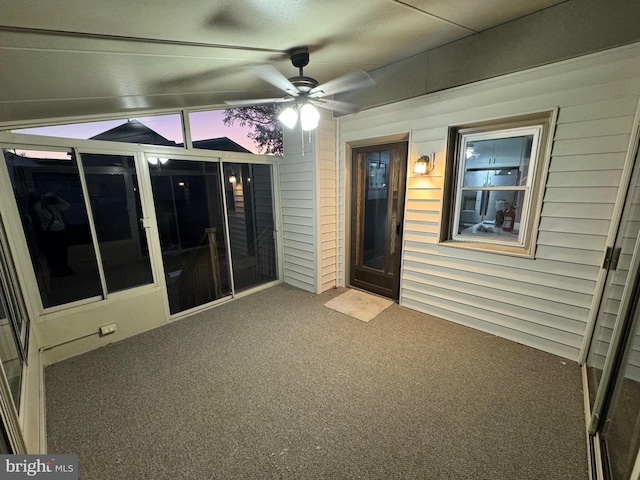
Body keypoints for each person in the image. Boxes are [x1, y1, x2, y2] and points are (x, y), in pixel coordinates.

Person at [32, 192, 73, 277]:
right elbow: (36, 208)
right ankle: (56, 271)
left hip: (60, 232)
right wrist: (41, 198)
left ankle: (65, 269)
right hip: (51, 234)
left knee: (63, 252)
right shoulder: (42, 211)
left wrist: (56, 197)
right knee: (53, 253)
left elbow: (67, 205)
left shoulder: (55, 207)